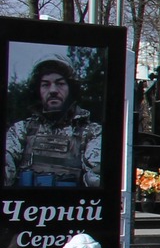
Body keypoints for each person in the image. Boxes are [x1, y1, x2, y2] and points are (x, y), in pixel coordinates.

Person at [7, 57, 103, 189]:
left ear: (70, 89)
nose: (53, 90)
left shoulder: (92, 132)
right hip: (27, 208)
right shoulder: (21, 130)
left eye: (60, 83)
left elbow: (96, 179)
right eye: (45, 84)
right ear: (38, 91)